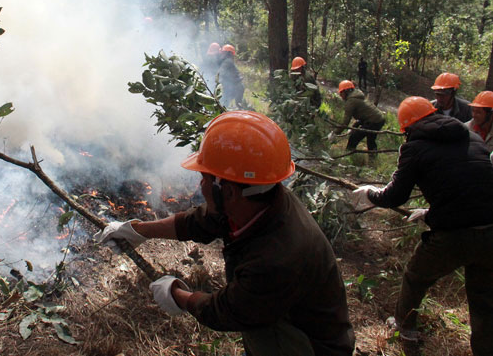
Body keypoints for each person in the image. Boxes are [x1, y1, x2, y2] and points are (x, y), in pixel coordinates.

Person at [96, 111, 355, 355]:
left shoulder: (277, 258)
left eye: (205, 178)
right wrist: (137, 230)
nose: (200, 185)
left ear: (228, 192)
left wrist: (176, 294)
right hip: (285, 319)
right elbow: (202, 221)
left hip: (310, 347)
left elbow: (229, 311)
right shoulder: (260, 197)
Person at [353, 96, 493, 353]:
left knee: (416, 276)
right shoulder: (472, 136)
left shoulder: (414, 147)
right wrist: (431, 212)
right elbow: (473, 186)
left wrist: (370, 192)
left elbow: (395, 196)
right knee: (484, 299)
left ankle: (404, 328)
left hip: (454, 234)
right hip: (491, 230)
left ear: (408, 128)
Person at [330, 80, 386, 158]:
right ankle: (373, 159)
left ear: (346, 91)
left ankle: (348, 156)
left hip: (373, 121)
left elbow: (345, 122)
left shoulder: (351, 101)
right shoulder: (357, 96)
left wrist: (335, 133)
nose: (340, 95)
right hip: (379, 119)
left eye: (341, 93)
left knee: (354, 138)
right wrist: (354, 126)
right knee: (371, 140)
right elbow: (363, 114)